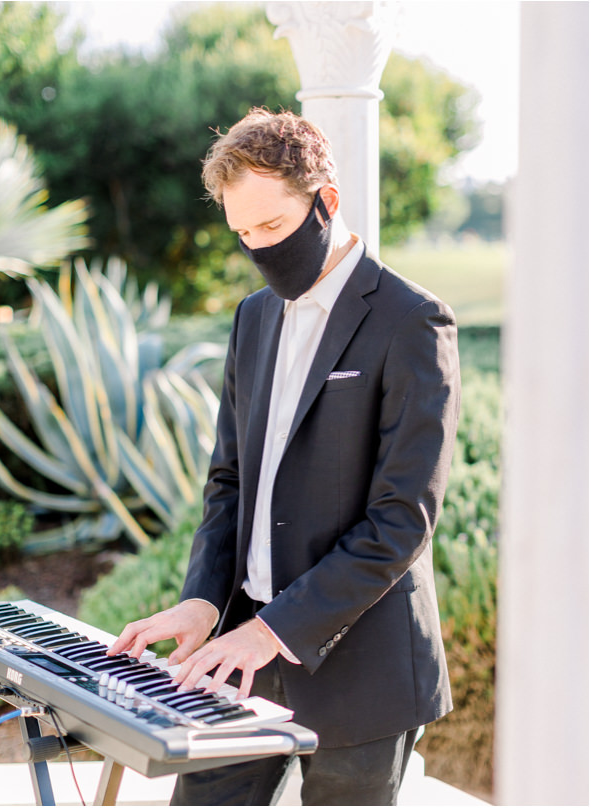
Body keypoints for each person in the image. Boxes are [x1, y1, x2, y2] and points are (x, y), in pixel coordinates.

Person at [107, 109, 460, 806]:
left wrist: (274, 630)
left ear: (325, 203)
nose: (258, 249)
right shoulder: (252, 317)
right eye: (242, 235)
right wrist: (203, 602)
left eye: (270, 228)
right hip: (237, 655)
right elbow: (228, 481)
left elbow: (401, 520)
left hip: (365, 673)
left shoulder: (411, 321)